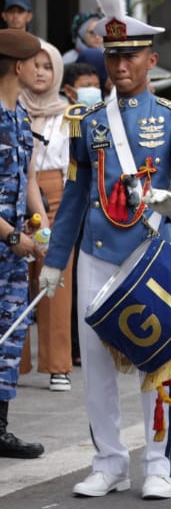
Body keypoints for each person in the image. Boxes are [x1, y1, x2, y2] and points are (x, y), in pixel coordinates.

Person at [42, 0, 171, 499]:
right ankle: (109, 461)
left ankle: (159, 463)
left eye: (131, 56)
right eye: (113, 56)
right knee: (95, 366)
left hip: (150, 250)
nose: (120, 66)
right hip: (95, 252)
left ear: (151, 59)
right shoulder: (86, 122)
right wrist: (54, 261)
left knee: (156, 359)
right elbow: (73, 196)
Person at [0, 27, 45, 458]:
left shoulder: (19, 116)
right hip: (7, 243)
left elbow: (30, 179)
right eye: (36, 63)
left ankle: (0, 428)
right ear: (18, 66)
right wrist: (12, 235)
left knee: (9, 337)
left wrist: (44, 230)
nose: (41, 70)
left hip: (13, 254)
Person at [19, 41, 73, 392]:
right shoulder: (12, 105)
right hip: (14, 195)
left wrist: (64, 212)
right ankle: (14, 361)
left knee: (56, 279)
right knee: (14, 280)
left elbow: (72, 166)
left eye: (47, 66)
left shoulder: (68, 113)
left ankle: (58, 365)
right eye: (34, 65)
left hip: (56, 193)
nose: (40, 72)